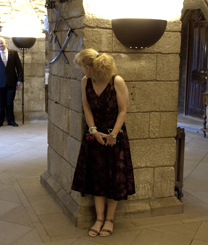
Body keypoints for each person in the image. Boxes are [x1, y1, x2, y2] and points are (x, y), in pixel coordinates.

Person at [71, 49, 135, 237]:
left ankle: (110, 219)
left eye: (82, 67)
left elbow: (123, 111)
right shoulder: (86, 82)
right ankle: (99, 218)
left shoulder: (117, 81)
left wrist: (113, 135)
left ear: (89, 67)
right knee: (97, 178)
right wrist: (93, 131)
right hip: (94, 135)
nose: (82, 71)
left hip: (115, 136)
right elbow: (86, 108)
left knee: (113, 178)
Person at [0, 37, 23, 127]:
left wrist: (20, 79)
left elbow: (19, 68)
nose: (0, 45)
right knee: (0, 103)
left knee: (9, 102)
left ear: (6, 43)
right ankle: (0, 121)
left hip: (11, 82)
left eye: (2, 43)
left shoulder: (13, 53)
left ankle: (11, 120)